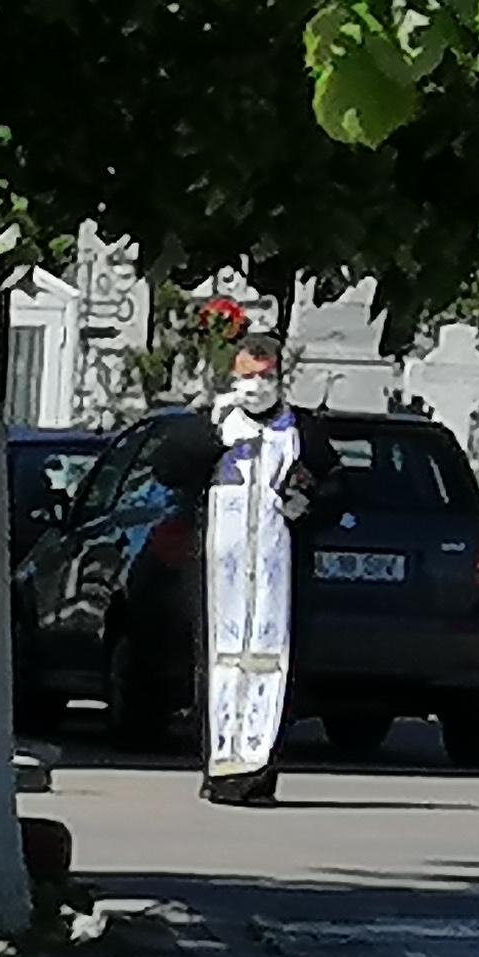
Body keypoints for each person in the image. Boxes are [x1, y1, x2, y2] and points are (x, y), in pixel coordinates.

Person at [145, 333, 333, 805]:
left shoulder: (300, 430)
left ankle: (260, 767)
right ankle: (221, 766)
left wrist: (309, 501)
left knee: (272, 663)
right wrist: (212, 437)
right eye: (248, 375)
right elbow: (167, 467)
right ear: (232, 376)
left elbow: (336, 483)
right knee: (219, 663)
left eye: (266, 376)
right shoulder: (216, 423)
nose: (257, 385)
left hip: (276, 568)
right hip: (219, 570)